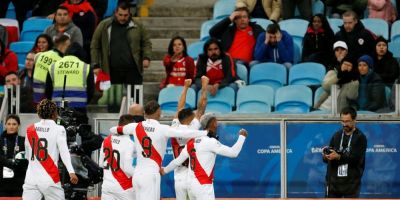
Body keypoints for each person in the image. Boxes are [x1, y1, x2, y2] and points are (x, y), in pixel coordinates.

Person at [109, 100, 208, 200]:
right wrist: (205, 133)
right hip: (151, 175)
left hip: (137, 175)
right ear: (158, 112)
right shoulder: (163, 128)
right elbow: (185, 133)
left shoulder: (135, 126)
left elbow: (114, 129)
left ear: (145, 113)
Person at [160, 113, 248, 200]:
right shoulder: (211, 142)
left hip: (191, 186)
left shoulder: (191, 142)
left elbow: (177, 161)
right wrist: (242, 137)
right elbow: (233, 153)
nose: (217, 125)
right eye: (216, 122)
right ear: (213, 123)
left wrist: (165, 170)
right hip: (203, 186)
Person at [22, 99, 78, 200]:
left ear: (39, 114)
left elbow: (27, 155)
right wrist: (71, 171)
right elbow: (64, 151)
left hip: (31, 178)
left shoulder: (29, 129)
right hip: (49, 177)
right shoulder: (59, 129)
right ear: (54, 114)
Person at [91, 1, 152, 87]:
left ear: (130, 13)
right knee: (114, 100)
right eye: (120, 15)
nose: (123, 18)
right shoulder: (104, 25)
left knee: (135, 99)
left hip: (133, 70)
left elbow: (146, 43)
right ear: (115, 13)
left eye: (126, 15)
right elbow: (95, 46)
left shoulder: (138, 25)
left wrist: (146, 57)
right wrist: (96, 64)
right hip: (111, 71)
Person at [170, 76, 209, 200]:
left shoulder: (174, 126)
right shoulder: (193, 129)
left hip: (178, 176)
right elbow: (202, 107)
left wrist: (185, 87)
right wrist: (204, 87)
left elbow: (179, 108)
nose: (194, 114)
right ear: (188, 119)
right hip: (191, 175)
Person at [323, 106, 367, 198]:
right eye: (342, 121)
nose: (344, 124)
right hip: (334, 183)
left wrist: (339, 157)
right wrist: (326, 156)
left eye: (347, 121)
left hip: (351, 184)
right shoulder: (336, 135)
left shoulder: (360, 138)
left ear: (354, 120)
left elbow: (356, 159)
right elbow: (329, 157)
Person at [45, 42, 94, 123]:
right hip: (79, 110)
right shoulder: (86, 67)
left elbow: (48, 90)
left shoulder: (53, 66)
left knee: (58, 134)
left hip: (57, 110)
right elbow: (91, 91)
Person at [99, 114, 136, 200]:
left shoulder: (106, 140)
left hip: (107, 186)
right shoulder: (129, 143)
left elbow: (101, 164)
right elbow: (128, 168)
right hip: (124, 187)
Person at [33, 34, 70, 104]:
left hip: (35, 95)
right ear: (62, 45)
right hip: (47, 97)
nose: (69, 48)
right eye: (68, 45)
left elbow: (33, 74)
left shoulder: (40, 55)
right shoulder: (61, 61)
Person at [0, 114, 27, 197]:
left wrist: (17, 163)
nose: (11, 126)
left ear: (18, 125)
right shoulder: (0, 140)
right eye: (9, 124)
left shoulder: (23, 141)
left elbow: (26, 159)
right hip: (2, 183)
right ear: (5, 125)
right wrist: (8, 162)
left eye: (14, 124)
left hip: (18, 182)